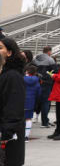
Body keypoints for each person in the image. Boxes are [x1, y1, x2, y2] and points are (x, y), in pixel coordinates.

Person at [0, 37, 27, 165]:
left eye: (0, 48)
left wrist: (6, 133)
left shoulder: (12, 76)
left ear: (9, 53)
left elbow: (14, 107)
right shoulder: (4, 74)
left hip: (8, 138)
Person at [32, 46, 56, 128]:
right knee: (46, 102)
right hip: (47, 83)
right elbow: (54, 71)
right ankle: (44, 122)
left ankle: (30, 118)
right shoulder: (50, 60)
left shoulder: (35, 59)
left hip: (36, 82)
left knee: (36, 100)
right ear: (49, 51)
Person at [23, 64, 41, 141]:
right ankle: (26, 136)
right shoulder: (37, 81)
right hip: (31, 102)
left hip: (21, 102)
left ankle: (17, 135)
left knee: (20, 119)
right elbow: (39, 94)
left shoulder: (21, 79)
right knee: (28, 119)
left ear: (26, 71)